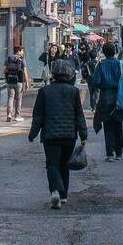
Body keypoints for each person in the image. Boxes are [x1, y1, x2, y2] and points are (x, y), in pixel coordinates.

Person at [28, 59, 88, 209]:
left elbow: (38, 116)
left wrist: (33, 134)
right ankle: (63, 196)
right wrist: (83, 135)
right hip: (69, 135)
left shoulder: (44, 91)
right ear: (69, 74)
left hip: (50, 135)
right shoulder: (74, 91)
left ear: (53, 73)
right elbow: (79, 115)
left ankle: (55, 190)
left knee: (52, 164)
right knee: (64, 165)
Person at [91, 41, 123, 160]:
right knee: (118, 125)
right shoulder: (122, 64)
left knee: (107, 125)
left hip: (105, 97)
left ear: (103, 52)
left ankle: (109, 153)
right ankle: (119, 153)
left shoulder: (100, 64)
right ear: (115, 52)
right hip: (119, 97)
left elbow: (96, 82)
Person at [3, 45, 29, 122]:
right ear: (18, 51)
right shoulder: (22, 59)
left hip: (9, 81)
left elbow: (4, 70)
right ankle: (17, 116)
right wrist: (27, 82)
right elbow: (25, 72)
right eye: (22, 51)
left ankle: (9, 115)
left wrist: (8, 74)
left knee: (10, 98)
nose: (23, 52)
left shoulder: (8, 58)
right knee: (18, 99)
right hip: (19, 82)